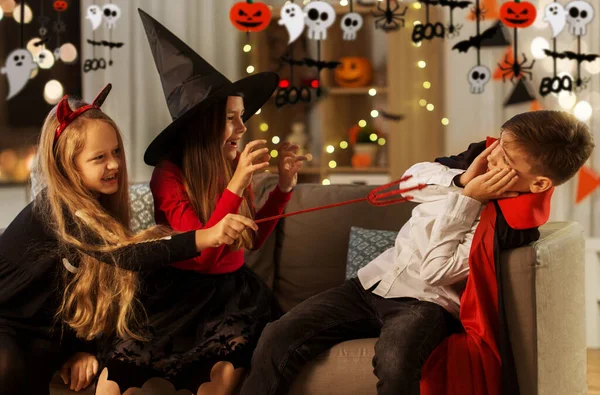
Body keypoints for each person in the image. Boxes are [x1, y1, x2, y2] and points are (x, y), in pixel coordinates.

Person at [240, 110, 594, 395]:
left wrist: (468, 201)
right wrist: (460, 183)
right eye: (499, 143)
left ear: (539, 184)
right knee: (277, 335)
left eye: (507, 158)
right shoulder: (475, 161)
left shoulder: (508, 228)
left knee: (396, 360)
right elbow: (411, 182)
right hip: (373, 282)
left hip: (426, 303)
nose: (495, 155)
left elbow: (434, 272)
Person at [98, 11, 305, 394]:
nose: (242, 129)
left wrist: (283, 187)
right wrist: (239, 180)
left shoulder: (231, 166)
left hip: (233, 294)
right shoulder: (169, 175)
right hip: (177, 289)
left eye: (242, 117)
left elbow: (251, 239)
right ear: (204, 125)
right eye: (231, 119)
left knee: (224, 372)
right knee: (121, 372)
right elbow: (203, 252)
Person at [0, 85, 255, 395]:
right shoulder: (57, 210)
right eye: (99, 158)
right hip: (5, 320)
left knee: (37, 369)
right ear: (70, 167)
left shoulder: (100, 211)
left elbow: (97, 291)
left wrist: (84, 349)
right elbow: (126, 255)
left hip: (45, 333)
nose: (115, 164)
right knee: (7, 368)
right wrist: (207, 235)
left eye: (116, 152)